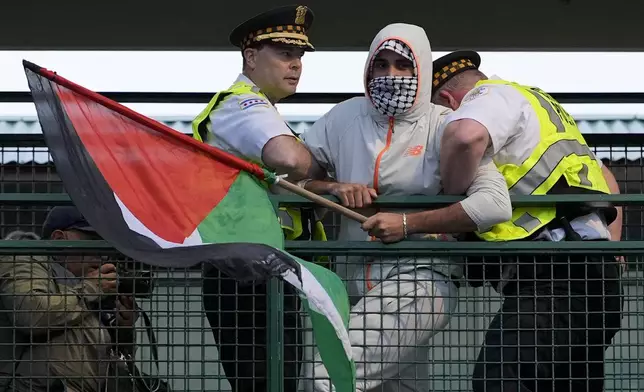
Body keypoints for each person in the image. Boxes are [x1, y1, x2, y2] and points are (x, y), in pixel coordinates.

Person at [300, 24, 512, 392]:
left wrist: (407, 223)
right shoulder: (343, 117)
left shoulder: (446, 124)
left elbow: (493, 204)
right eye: (380, 65)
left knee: (326, 376)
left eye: (403, 66)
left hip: (421, 282)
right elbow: (296, 182)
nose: (390, 76)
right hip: (348, 287)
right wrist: (334, 187)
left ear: (423, 70)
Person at [431, 50, 624, 392]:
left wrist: (455, 200)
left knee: (498, 381)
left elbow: (464, 138)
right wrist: (613, 248)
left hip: (553, 276)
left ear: (448, 99)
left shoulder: (486, 96)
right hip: (596, 276)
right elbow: (607, 179)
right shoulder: (537, 105)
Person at [191, 5, 327, 392]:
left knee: (275, 379)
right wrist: (319, 170)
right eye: (284, 53)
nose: (296, 64)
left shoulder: (259, 108)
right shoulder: (244, 105)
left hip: (258, 265)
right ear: (251, 57)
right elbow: (290, 160)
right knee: (266, 381)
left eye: (299, 55)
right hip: (245, 271)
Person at [0, 207, 138, 392]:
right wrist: (91, 289)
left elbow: (116, 358)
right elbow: (31, 314)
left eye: (105, 244)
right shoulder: (26, 261)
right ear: (58, 239)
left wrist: (124, 328)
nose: (101, 253)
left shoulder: (88, 287)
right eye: (92, 241)